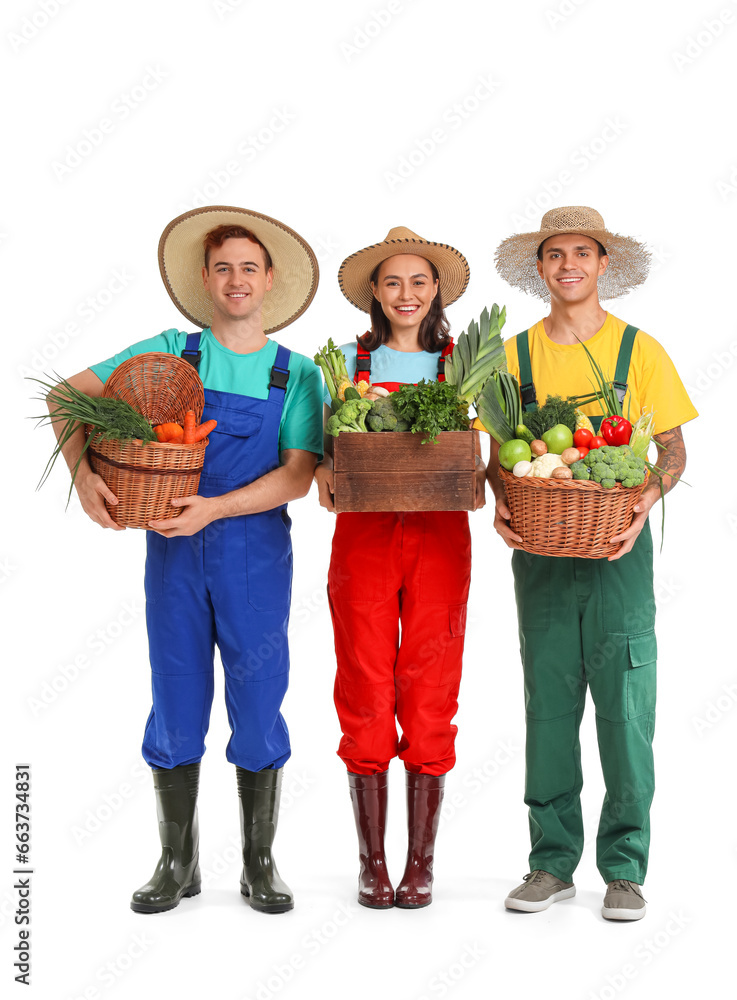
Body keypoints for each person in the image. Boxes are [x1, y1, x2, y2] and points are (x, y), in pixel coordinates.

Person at [47, 206, 323, 914]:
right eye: (223, 267)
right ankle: (178, 859)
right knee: (176, 696)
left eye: (248, 268)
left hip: (255, 552)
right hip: (170, 550)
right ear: (205, 279)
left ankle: (259, 860)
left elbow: (297, 475)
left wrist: (217, 508)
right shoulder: (173, 350)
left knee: (258, 701)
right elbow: (66, 395)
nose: (236, 280)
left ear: (268, 282)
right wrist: (86, 478)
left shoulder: (297, 374)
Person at [488, 206, 697, 920]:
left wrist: (644, 499)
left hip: (616, 553)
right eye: (554, 254)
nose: (567, 264)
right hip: (540, 556)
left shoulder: (639, 352)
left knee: (625, 710)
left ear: (602, 263)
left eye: (581, 252)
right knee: (547, 710)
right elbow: (498, 457)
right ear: (539, 268)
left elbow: (671, 449)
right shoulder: (511, 357)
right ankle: (548, 864)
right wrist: (500, 503)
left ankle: (624, 866)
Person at [314, 226, 485, 909]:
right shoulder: (344, 365)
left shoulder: (461, 367)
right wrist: (326, 468)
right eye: (392, 283)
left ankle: (420, 862)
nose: (405, 294)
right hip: (363, 536)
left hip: (441, 536)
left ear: (435, 289)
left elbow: (484, 452)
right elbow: (318, 456)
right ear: (374, 295)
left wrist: (482, 479)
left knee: (430, 680)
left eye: (418, 282)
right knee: (363, 679)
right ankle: (370, 860)